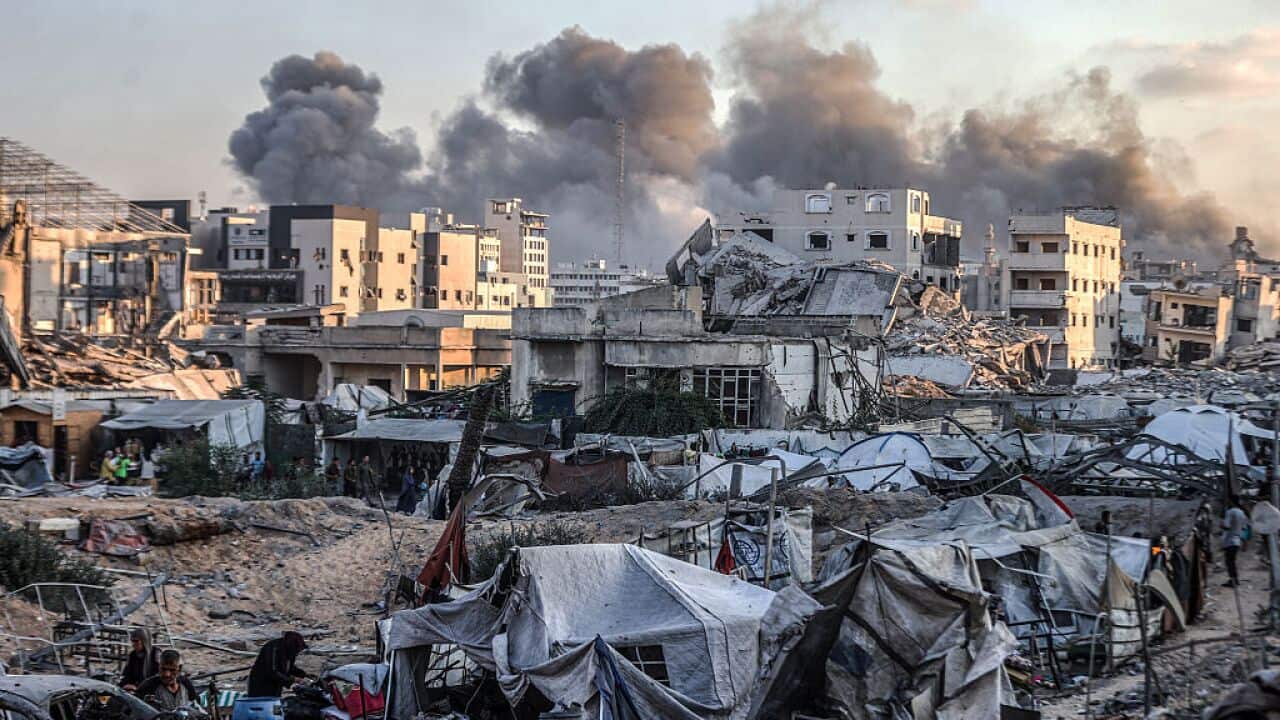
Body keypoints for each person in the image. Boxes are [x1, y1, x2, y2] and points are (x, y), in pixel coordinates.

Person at [247, 631, 308, 698]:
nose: (297, 652)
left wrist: (304, 675)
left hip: (276, 683)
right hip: (261, 682)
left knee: (274, 703)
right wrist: (291, 681)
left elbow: (290, 668)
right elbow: (272, 671)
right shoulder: (273, 647)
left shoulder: (289, 651)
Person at [1222, 500, 1249, 588]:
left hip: (1230, 540)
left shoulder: (1230, 512)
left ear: (1231, 502)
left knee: (1229, 562)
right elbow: (1245, 529)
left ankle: (1233, 580)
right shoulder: (1242, 513)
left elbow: (1226, 526)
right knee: (1232, 561)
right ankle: (1235, 579)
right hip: (1237, 541)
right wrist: (1245, 542)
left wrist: (1221, 525)